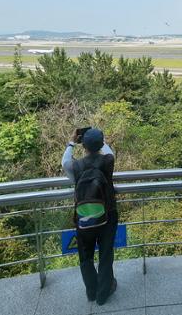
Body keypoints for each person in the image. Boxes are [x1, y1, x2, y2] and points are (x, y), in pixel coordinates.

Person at [62, 128, 117, 305]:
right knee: (106, 254)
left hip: (84, 218)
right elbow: (109, 152)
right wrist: (102, 141)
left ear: (83, 145)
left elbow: (64, 163)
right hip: (107, 215)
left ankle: (91, 292)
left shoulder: (75, 166)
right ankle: (103, 294)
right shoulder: (108, 161)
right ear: (101, 144)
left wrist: (71, 142)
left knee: (85, 257)